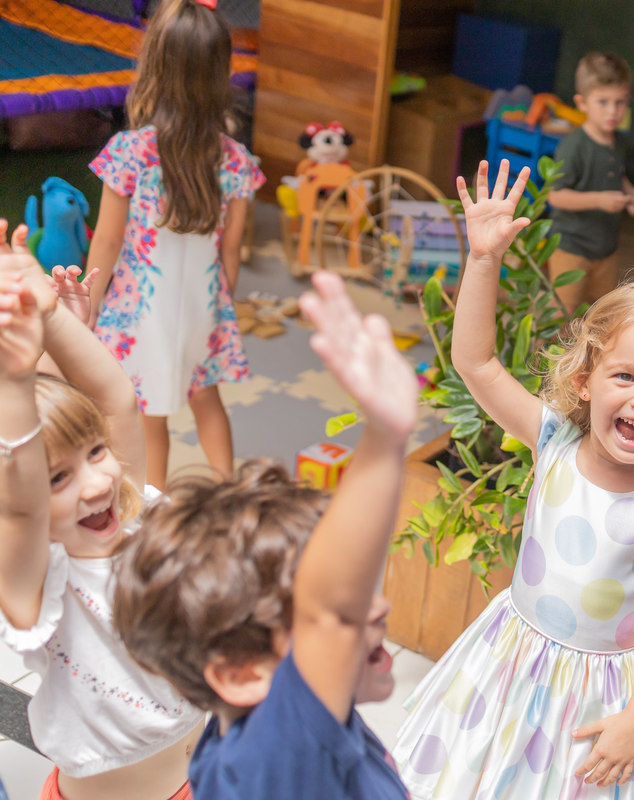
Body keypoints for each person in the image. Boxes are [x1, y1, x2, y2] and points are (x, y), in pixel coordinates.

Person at [392, 160, 634, 799]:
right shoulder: (553, 442)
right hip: (507, 660)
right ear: (583, 383)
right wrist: (483, 260)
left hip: (600, 697)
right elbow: (475, 361)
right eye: (625, 376)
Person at [110, 270, 417, 800]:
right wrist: (384, 438)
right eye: (339, 602)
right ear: (243, 672)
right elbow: (331, 615)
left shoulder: (264, 735)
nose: (375, 608)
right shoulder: (272, 767)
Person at [0, 221, 204, 800]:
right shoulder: (37, 585)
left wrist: (50, 315)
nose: (97, 482)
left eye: (96, 453)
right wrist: (14, 380)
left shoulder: (131, 514)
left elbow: (115, 399)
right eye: (59, 478)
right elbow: (17, 502)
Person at [86, 0, 262, 489]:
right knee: (207, 399)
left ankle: (152, 508)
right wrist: (218, 305)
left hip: (142, 313)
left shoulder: (131, 152)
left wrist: (90, 307)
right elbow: (230, 252)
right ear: (220, 73)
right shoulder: (237, 161)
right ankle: (227, 492)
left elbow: (107, 240)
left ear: (156, 66)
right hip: (203, 306)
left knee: (149, 414)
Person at [546, 52, 634, 313]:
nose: (612, 111)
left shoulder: (616, 142)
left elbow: (618, 176)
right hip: (571, 248)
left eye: (620, 102)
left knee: (601, 312)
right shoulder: (574, 146)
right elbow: (555, 197)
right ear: (582, 103)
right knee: (562, 314)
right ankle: (547, 356)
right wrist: (599, 200)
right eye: (602, 101)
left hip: (606, 249)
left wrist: (633, 194)